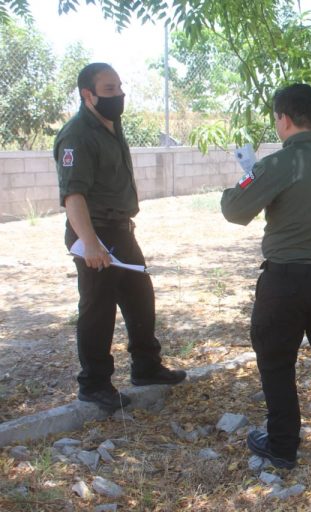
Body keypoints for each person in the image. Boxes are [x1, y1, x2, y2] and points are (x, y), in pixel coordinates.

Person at [220, 83, 311, 476]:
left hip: (284, 282)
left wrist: (248, 178)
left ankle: (283, 446)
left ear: (284, 119)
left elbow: (234, 211)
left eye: (276, 119)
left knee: (276, 362)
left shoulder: (277, 165)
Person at [54, 63, 186, 411]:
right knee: (98, 309)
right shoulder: (77, 135)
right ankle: (94, 384)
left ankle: (146, 367)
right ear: (88, 95)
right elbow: (73, 196)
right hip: (95, 232)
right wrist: (92, 243)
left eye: (119, 87)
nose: (119, 95)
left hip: (122, 230)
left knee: (140, 297)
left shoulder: (111, 124)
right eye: (110, 89)